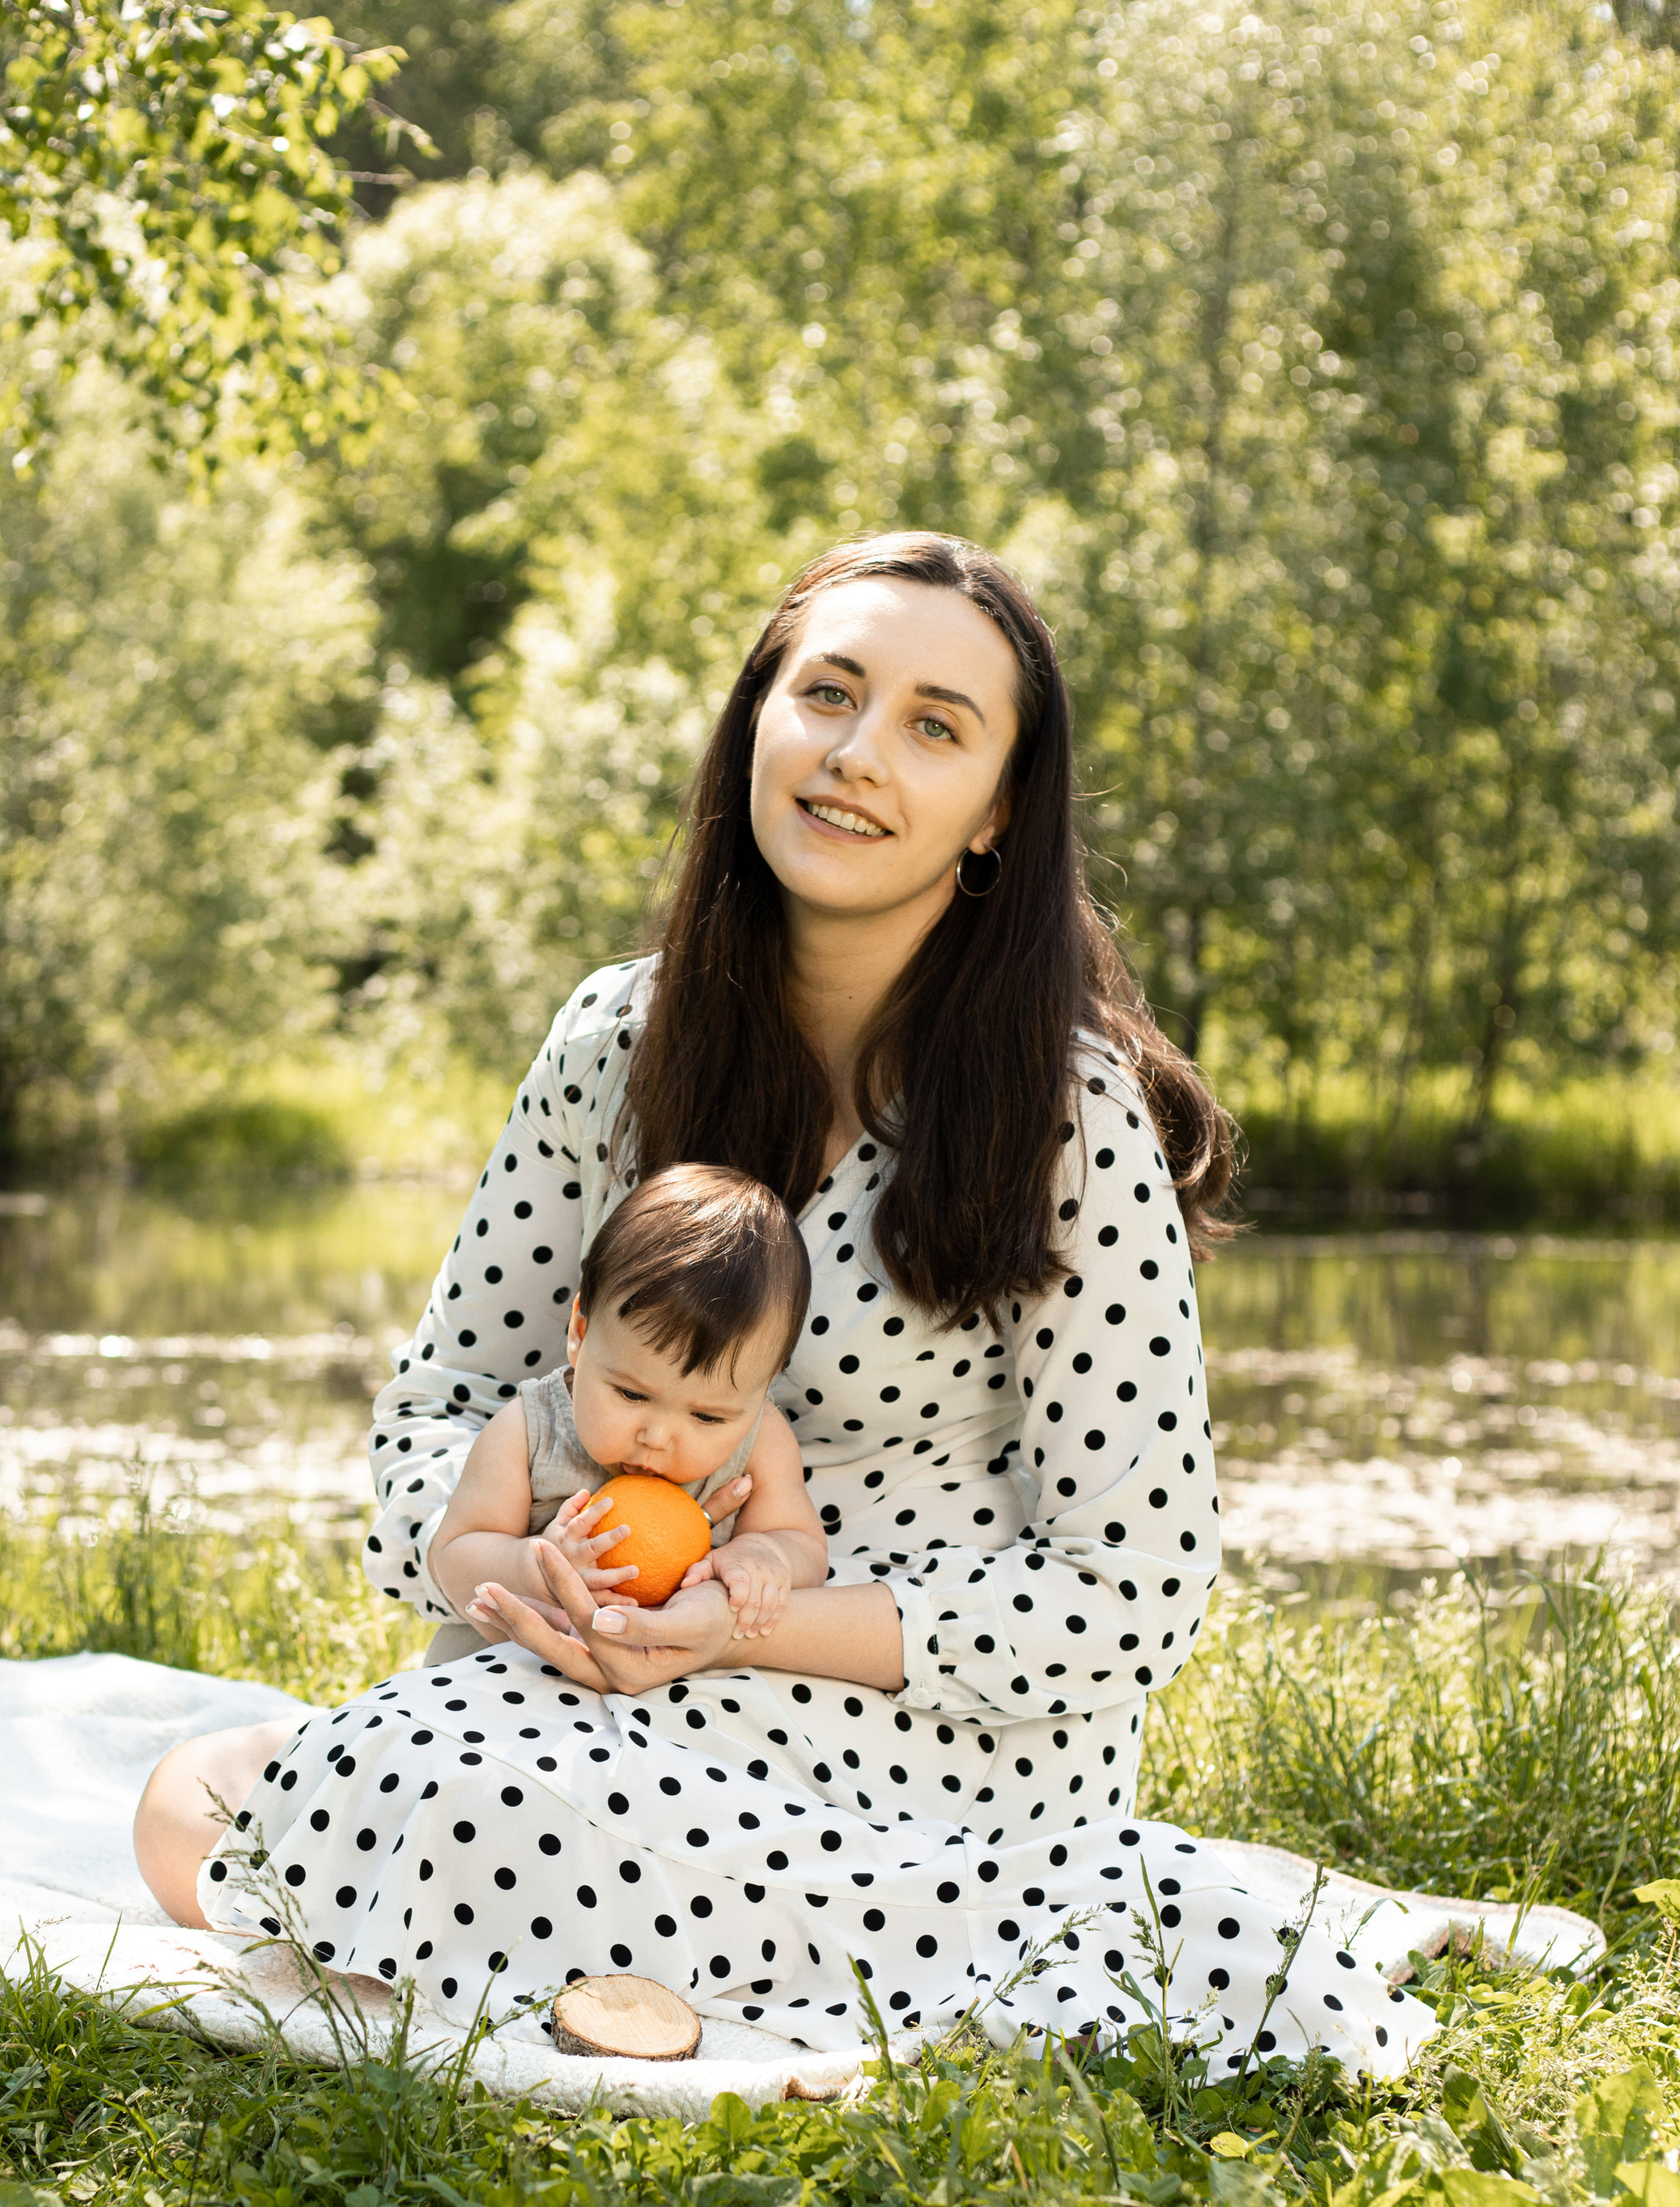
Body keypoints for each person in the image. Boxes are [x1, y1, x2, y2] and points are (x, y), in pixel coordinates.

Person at [134, 531, 1440, 2075]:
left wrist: (750, 1626)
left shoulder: (1066, 1117)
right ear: (758, 720)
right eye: (828, 693)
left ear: (998, 817)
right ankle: (905, 1949)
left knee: (361, 1796)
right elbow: (439, 1415)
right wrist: (525, 1569)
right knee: (201, 1806)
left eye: (935, 726)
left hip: (926, 1726)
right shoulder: (614, 1045)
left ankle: (1079, 1918)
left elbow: (1132, 1591)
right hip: (590, 1675)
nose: (857, 754)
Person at [422, 1161, 826, 1669]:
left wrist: (768, 1556)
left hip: (681, 1675)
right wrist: (536, 1566)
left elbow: (804, 1544)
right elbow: (454, 1555)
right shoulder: (530, 1430)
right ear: (580, 1336)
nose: (658, 1436)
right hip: (517, 1663)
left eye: (707, 1418)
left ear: (764, 1389)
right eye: (633, 1396)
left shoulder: (761, 1440)